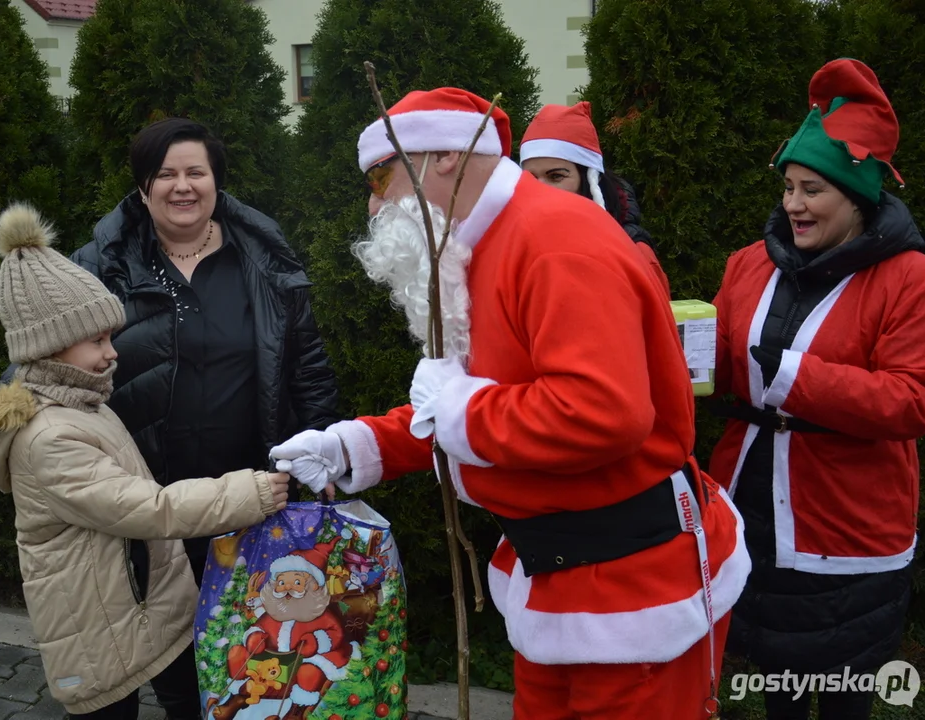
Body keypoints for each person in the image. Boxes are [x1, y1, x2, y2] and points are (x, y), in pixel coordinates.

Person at [270, 87, 750, 719]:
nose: (374, 201)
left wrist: (460, 412)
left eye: (382, 175)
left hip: (633, 590)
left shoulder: (555, 241)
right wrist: (359, 445)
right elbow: (483, 403)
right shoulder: (475, 247)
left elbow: (601, 412)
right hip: (554, 579)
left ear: (443, 157)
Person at [0, 204, 291, 719]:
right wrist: (254, 493)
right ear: (49, 348)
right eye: (97, 340)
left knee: (189, 698)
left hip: (140, 604)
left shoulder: (83, 403)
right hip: (95, 626)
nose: (113, 353)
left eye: (111, 336)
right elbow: (148, 509)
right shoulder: (49, 438)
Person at [708, 58, 925, 720]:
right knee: (774, 683)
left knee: (840, 692)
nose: (791, 205)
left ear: (855, 199)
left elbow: (911, 402)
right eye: (786, 187)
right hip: (752, 509)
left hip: (846, 526)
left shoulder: (909, 278)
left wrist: (789, 376)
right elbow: (722, 365)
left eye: (811, 190)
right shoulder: (748, 263)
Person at [68, 117, 340, 584]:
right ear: (142, 186)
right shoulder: (96, 268)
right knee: (161, 646)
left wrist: (325, 450)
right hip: (143, 506)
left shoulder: (264, 261)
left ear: (216, 181)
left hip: (251, 499)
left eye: (195, 172)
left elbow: (307, 364)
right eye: (166, 174)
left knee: (247, 643)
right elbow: (47, 367)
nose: (182, 187)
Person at [519, 101, 671, 297]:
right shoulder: (519, 248)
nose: (541, 188)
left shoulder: (634, 252)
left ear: (589, 181)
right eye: (531, 178)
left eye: (556, 176)